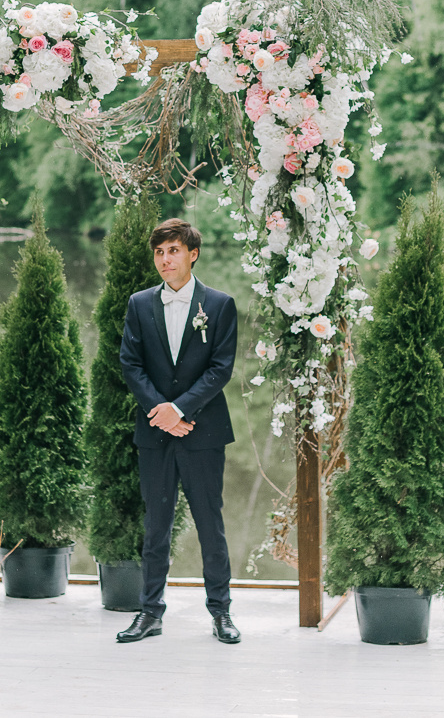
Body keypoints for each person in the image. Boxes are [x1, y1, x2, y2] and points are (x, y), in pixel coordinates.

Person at [116, 217, 241, 645]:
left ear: (193, 254)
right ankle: (149, 613)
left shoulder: (220, 305)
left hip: (203, 433)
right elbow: (130, 363)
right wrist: (161, 411)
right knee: (156, 527)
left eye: (173, 251)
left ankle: (221, 612)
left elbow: (221, 368)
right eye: (159, 252)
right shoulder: (138, 304)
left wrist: (182, 409)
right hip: (155, 433)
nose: (165, 259)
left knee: (211, 525)